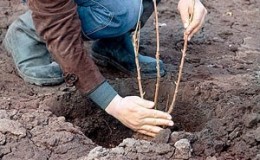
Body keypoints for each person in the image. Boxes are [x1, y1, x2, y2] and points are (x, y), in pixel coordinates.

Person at [3, 0, 207, 137]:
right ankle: (28, 29)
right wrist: (114, 104)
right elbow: (61, 33)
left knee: (127, 8)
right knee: (122, 11)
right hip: (52, 9)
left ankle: (113, 42)